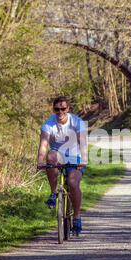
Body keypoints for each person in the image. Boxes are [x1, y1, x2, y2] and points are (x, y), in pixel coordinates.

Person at [37, 96, 87, 235]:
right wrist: (40, 161)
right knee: (51, 156)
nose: (60, 112)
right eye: (57, 109)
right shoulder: (48, 123)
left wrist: (83, 160)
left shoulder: (77, 122)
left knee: (72, 182)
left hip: (74, 155)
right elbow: (43, 144)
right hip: (58, 154)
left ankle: (76, 216)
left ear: (68, 109)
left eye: (63, 109)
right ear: (54, 110)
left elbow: (82, 143)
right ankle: (53, 193)